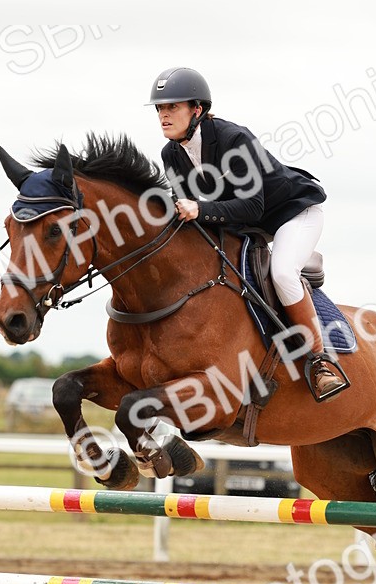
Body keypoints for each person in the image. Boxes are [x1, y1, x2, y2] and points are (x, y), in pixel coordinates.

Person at [147, 66, 349, 402]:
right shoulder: (171, 154)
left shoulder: (232, 139)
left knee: (282, 272)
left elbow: (252, 206)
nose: (164, 116)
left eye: (172, 108)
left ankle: (319, 361)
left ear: (197, 110)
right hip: (247, 226)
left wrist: (199, 208)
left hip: (292, 213)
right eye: (159, 109)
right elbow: (193, 213)